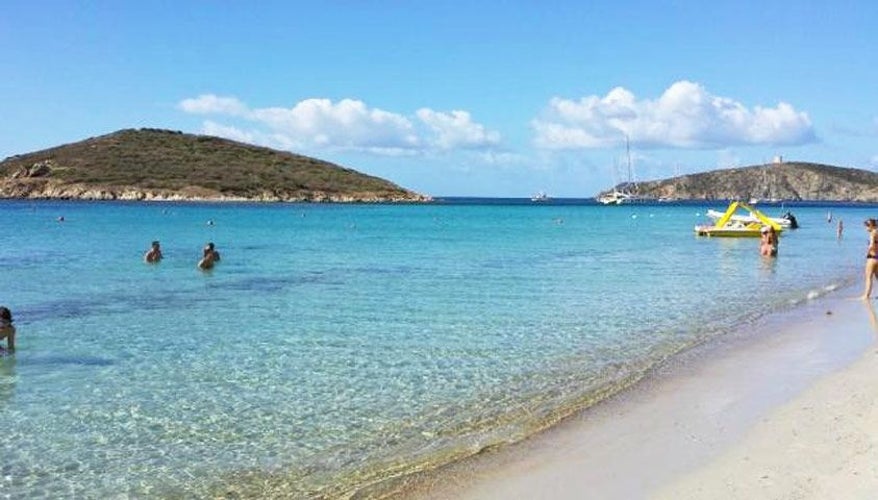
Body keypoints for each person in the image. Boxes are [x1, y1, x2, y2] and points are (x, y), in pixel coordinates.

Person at [862, 219, 878, 300]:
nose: (866, 229)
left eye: (867, 226)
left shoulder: (872, 233)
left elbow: (871, 245)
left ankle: (866, 296)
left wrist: (867, 253)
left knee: (868, 277)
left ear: (871, 225)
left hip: (872, 258)